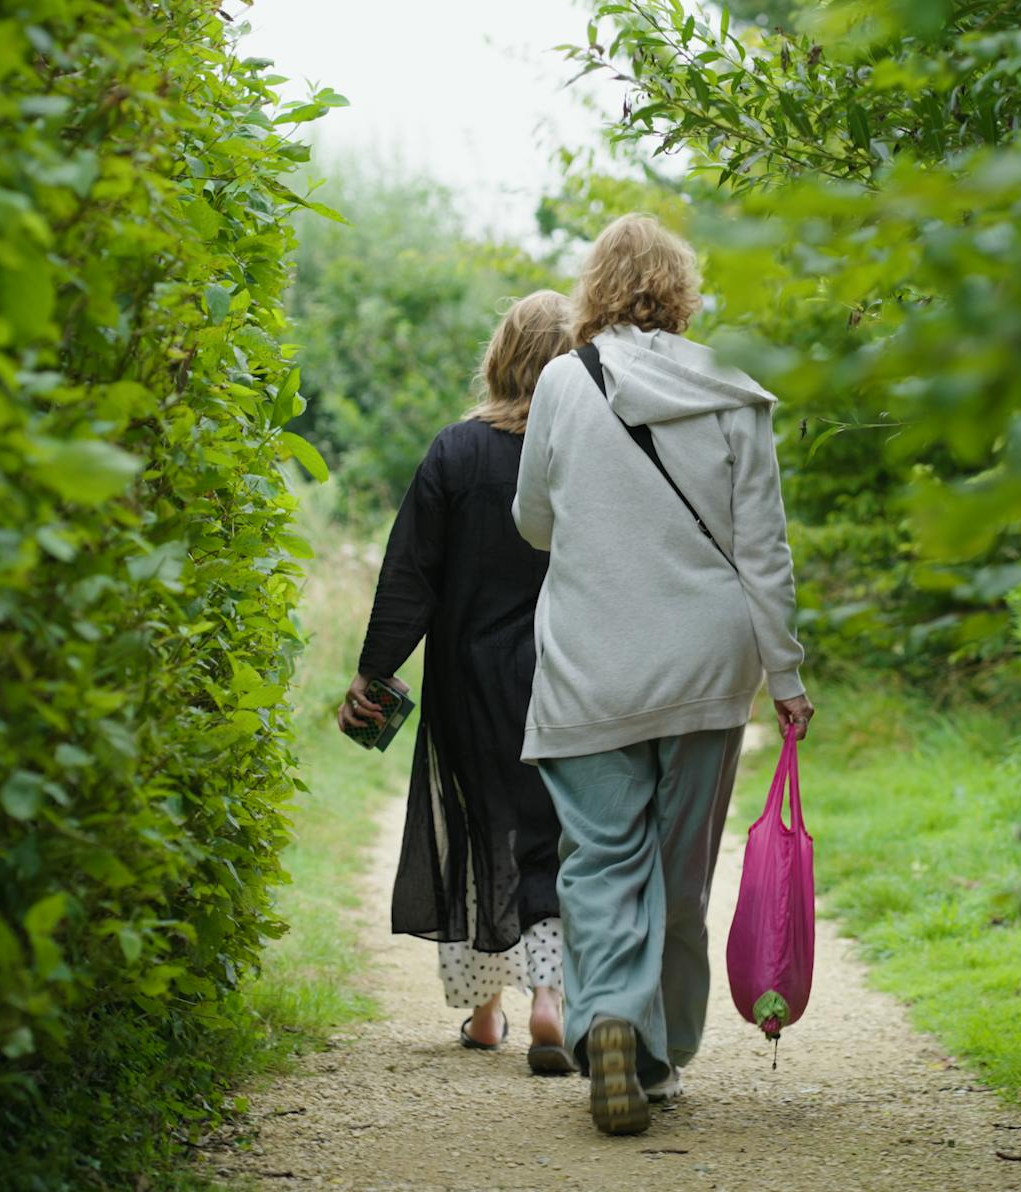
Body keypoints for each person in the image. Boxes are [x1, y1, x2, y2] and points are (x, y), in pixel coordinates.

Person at [512, 214, 816, 1135]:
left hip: (590, 665)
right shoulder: (730, 387)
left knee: (600, 859)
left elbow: (532, 521)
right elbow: (764, 550)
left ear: (593, 289)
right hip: (703, 666)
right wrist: (787, 677)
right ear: (682, 292)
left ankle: (606, 1016)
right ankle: (657, 1055)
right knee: (677, 874)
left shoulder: (563, 383)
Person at [340, 290, 577, 1075]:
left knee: (482, 829)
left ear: (499, 356)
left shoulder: (454, 451)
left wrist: (376, 673)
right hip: (567, 670)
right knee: (553, 830)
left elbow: (411, 574)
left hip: (468, 675)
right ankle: (552, 1000)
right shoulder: (582, 449)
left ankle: (486, 1014)